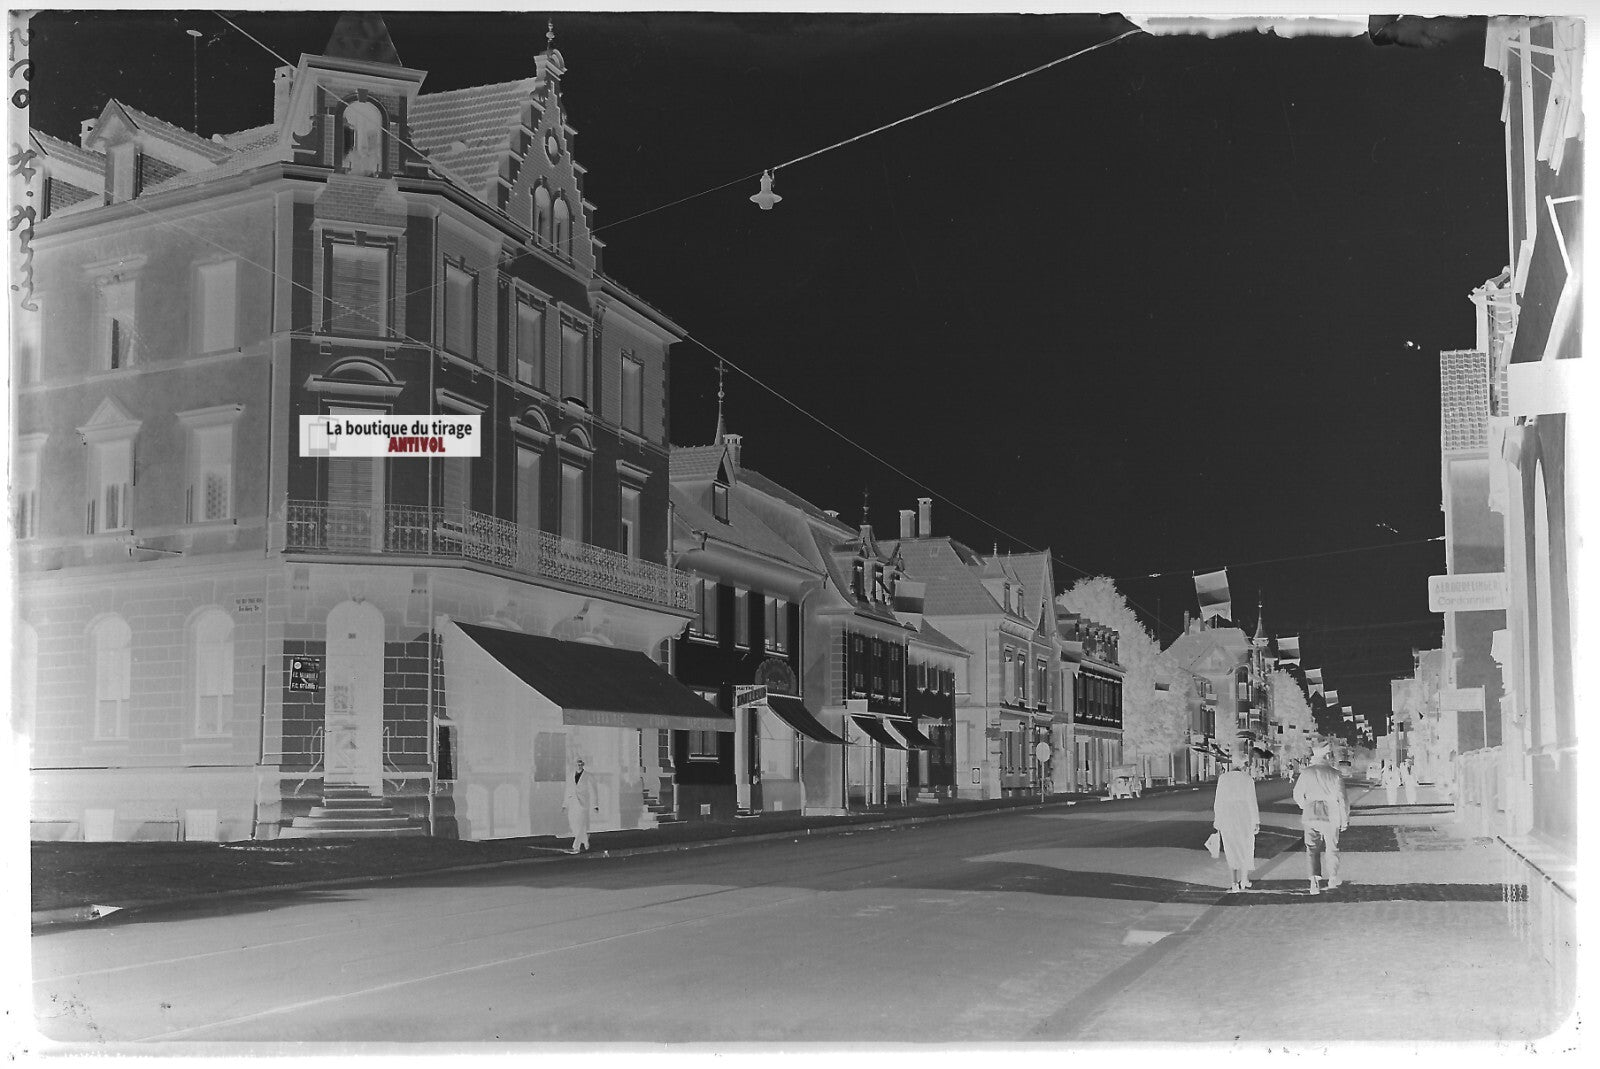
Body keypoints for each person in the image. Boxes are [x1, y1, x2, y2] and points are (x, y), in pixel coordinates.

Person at [1294, 741, 1350, 894]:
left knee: (1312, 848)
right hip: (1331, 813)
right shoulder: (1335, 774)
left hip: (1311, 813)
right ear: (1326, 756)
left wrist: (1305, 804)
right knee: (1332, 847)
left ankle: (1314, 884)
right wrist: (1344, 819)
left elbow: (1297, 794)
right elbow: (1342, 799)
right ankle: (1332, 877)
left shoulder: (1306, 772)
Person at [1212, 753, 1261, 892]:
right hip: (1244, 815)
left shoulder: (1223, 778)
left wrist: (1218, 820)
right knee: (1246, 846)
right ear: (1244, 765)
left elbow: (1218, 801)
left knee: (1231, 848)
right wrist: (1255, 821)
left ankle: (1234, 883)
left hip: (1228, 815)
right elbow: (1252, 801)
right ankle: (1244, 879)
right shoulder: (1247, 779)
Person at [563, 758, 598, 853]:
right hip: (572, 803)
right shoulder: (571, 775)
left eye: (580, 764)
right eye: (577, 764)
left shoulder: (588, 776)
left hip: (583, 803)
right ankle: (585, 840)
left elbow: (593, 791)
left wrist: (595, 805)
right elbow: (568, 790)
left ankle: (576, 846)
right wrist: (565, 804)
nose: (579, 766)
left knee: (581, 823)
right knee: (573, 824)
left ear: (583, 765)